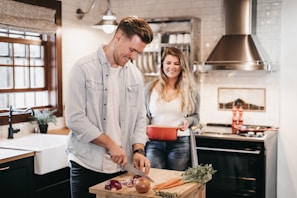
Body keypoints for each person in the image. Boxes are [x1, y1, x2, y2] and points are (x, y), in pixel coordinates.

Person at [65, 16, 154, 198]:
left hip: (121, 168)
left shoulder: (135, 75)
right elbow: (75, 119)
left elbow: (140, 117)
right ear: (118, 37)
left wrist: (138, 150)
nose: (134, 57)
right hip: (86, 165)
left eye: (138, 53)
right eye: (131, 50)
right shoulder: (83, 69)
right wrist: (110, 144)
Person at [144, 47, 200, 171]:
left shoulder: (191, 90)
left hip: (180, 142)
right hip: (153, 142)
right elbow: (145, 116)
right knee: (154, 179)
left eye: (176, 63)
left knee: (176, 182)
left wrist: (188, 121)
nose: (172, 67)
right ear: (162, 64)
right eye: (168, 63)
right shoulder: (149, 88)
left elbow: (196, 116)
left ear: (182, 66)